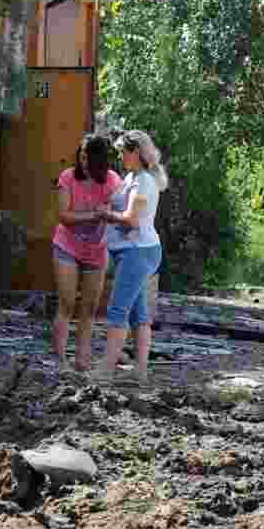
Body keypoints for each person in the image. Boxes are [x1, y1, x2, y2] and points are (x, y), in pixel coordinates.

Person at [95, 129, 167, 385]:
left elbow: (131, 220)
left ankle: (105, 371)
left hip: (138, 252)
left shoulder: (144, 181)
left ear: (135, 151)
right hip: (135, 251)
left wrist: (106, 214)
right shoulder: (131, 177)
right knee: (139, 315)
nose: (120, 156)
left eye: (122, 151)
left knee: (117, 310)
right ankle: (140, 372)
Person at [51, 133, 121, 373]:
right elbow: (64, 216)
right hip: (67, 245)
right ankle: (60, 361)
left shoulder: (112, 181)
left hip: (96, 250)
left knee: (90, 307)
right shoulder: (68, 177)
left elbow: (119, 209)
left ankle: (82, 360)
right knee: (67, 302)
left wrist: (111, 208)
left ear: (98, 159)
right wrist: (95, 214)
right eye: (80, 155)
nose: (82, 160)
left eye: (87, 156)